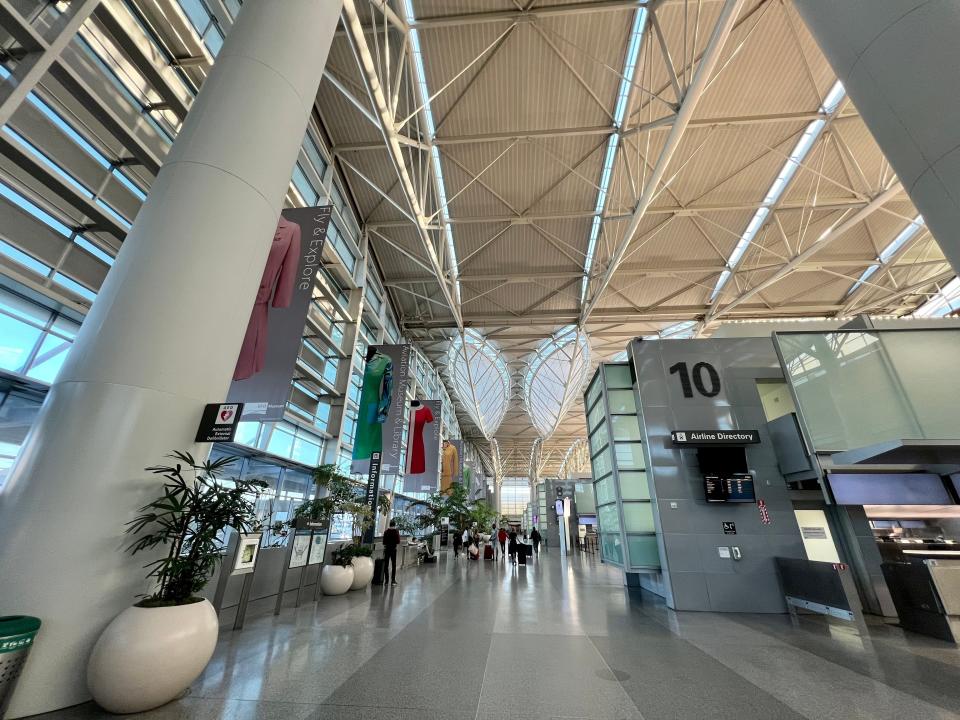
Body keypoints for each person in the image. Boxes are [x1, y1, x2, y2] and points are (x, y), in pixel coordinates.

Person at [383, 519, 401, 585]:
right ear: (394, 525)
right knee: (393, 565)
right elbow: (398, 541)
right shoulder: (396, 532)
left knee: (386, 565)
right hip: (393, 550)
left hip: (387, 549)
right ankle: (393, 581)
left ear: (389, 524)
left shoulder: (386, 532)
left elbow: (384, 542)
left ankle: (386, 581)